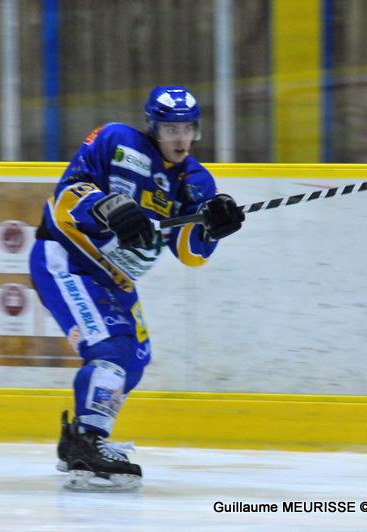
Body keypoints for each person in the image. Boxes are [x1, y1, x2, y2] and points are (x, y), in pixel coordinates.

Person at [29, 85, 245, 491]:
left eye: (188, 129)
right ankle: (87, 442)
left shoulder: (196, 182)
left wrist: (212, 228)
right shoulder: (114, 140)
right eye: (171, 129)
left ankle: (82, 437)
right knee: (110, 349)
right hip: (67, 258)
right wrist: (106, 205)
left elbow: (190, 254)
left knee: (133, 357)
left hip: (113, 274)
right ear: (153, 127)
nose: (181, 138)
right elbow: (66, 196)